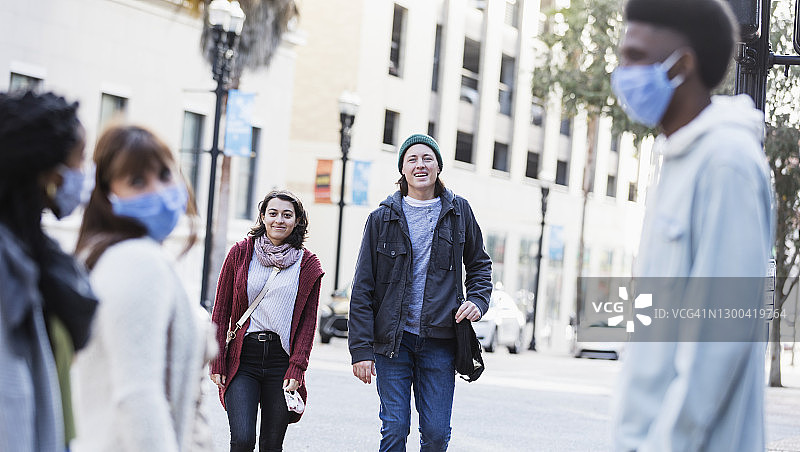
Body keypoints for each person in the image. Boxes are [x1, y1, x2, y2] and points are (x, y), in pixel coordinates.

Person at [611, 1, 774, 451]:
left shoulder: (726, 163)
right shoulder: (679, 158)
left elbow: (719, 339)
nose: (622, 72)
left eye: (636, 56)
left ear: (682, 65)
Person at [348, 133, 492, 451]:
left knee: (437, 434)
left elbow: (480, 265)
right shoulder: (381, 219)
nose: (420, 165)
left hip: (440, 341)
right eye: (412, 159)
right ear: (402, 169)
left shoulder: (459, 212)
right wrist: (360, 350)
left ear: (439, 166)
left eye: (427, 158)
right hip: (392, 343)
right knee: (395, 428)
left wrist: (477, 300)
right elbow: (362, 288)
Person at [72, 125, 212, 451]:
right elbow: (138, 395)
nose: (158, 191)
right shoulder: (137, 260)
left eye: (164, 174)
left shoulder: (110, 254)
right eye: (137, 181)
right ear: (108, 194)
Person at [0, 90, 98, 452]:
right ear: (49, 176)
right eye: (81, 158)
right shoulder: (9, 265)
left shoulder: (32, 252)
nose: (86, 174)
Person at [209, 189, 324, 452]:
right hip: (243, 360)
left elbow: (308, 324)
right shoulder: (240, 253)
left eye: (287, 215)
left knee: (271, 445)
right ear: (263, 217)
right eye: (273, 213)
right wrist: (217, 359)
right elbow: (221, 310)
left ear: (297, 220)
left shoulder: (307, 264)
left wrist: (297, 367)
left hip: (281, 363)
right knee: (242, 439)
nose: (279, 220)